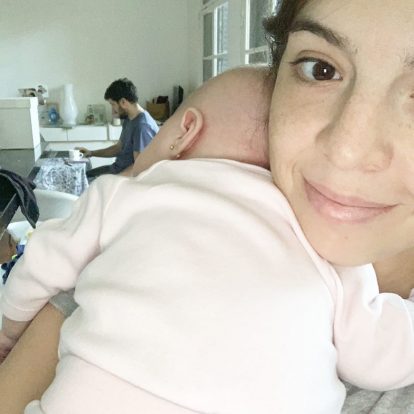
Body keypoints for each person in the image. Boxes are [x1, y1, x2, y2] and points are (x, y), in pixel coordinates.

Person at [77, 78, 159, 178]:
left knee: (83, 180)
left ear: (123, 102)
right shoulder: (129, 118)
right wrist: (91, 153)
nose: (112, 110)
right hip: (116, 169)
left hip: (123, 177)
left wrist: (113, 181)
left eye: (113, 104)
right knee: (82, 176)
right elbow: (118, 148)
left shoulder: (142, 126)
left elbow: (139, 168)